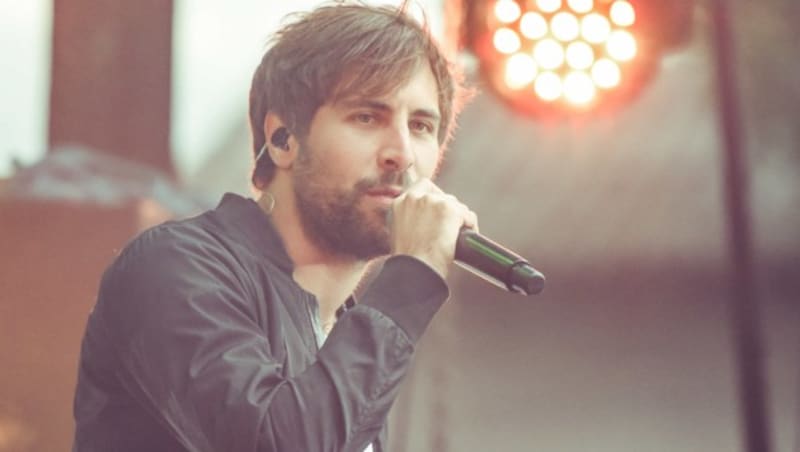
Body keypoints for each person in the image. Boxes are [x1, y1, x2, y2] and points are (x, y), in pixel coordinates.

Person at [72, 1, 474, 451]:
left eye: (421, 126)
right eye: (367, 117)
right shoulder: (176, 267)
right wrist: (412, 276)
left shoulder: (347, 336)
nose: (401, 152)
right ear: (282, 139)